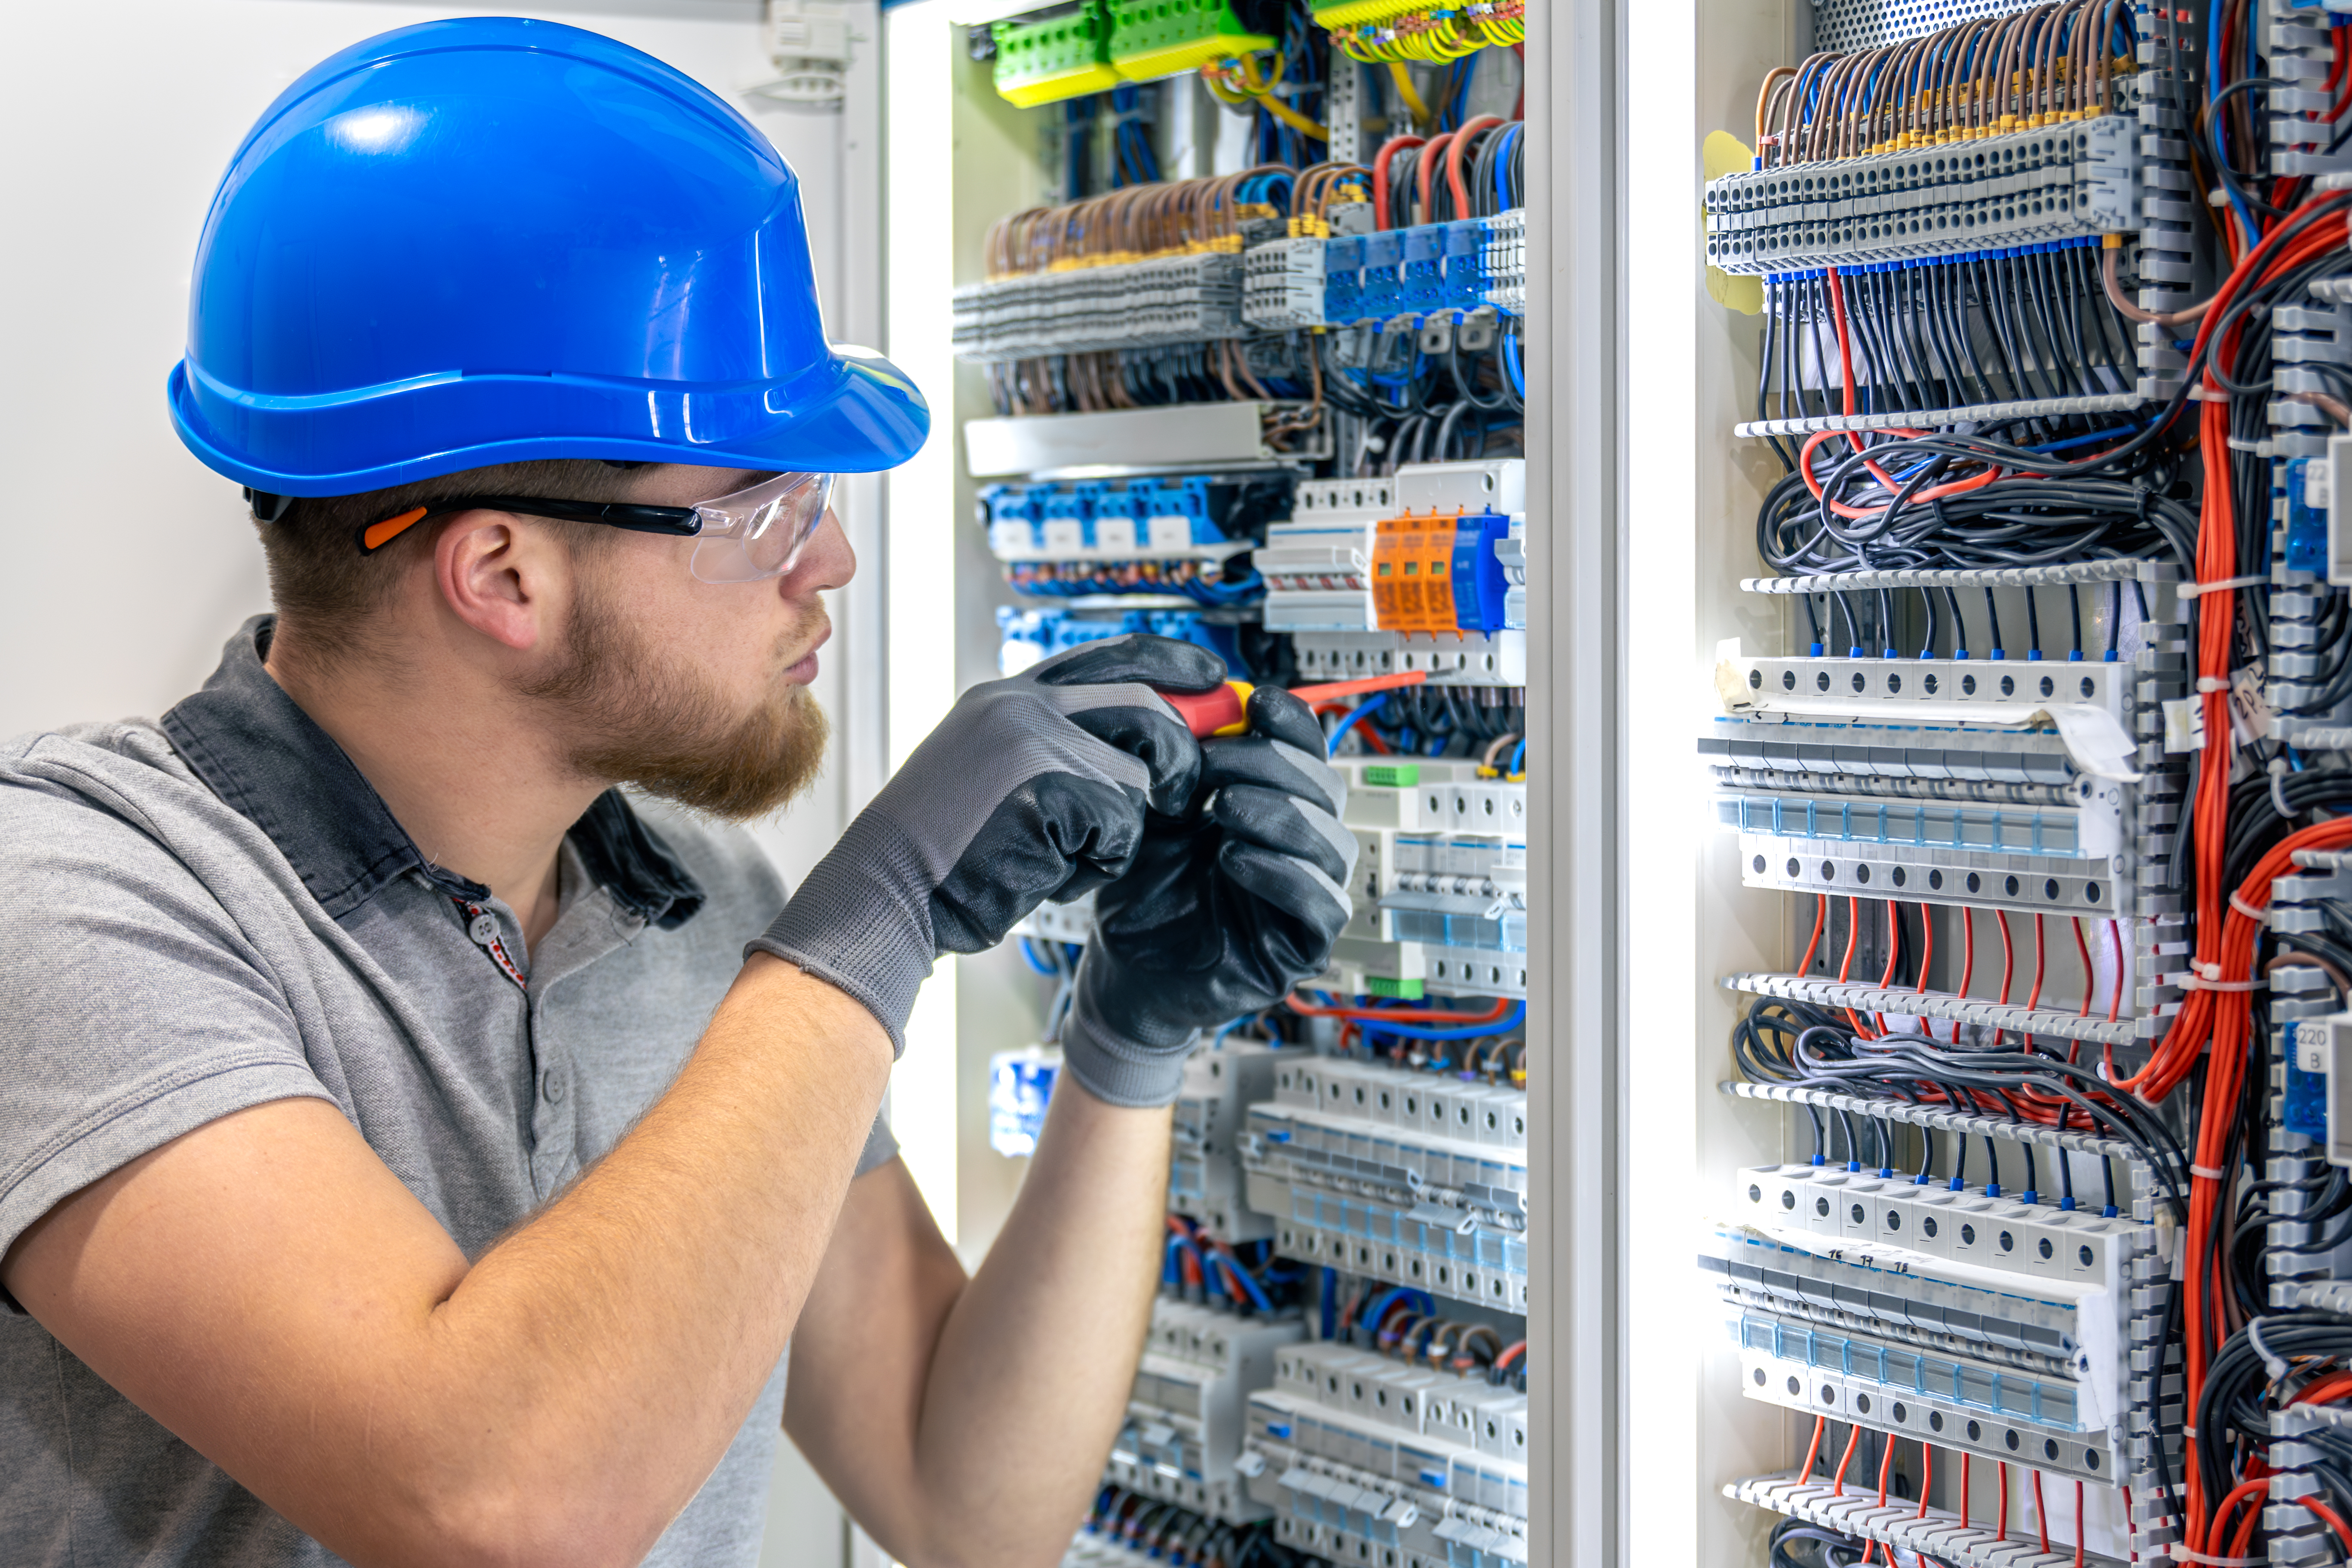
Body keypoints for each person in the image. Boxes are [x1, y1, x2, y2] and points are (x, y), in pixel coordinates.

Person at [0, 19, 1353, 1568]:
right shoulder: (80, 908)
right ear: (502, 572)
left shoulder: (705, 912)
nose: (828, 558)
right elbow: (492, 1503)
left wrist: (1126, 1043)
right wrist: (883, 918)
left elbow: (964, 1501)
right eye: (761, 502)